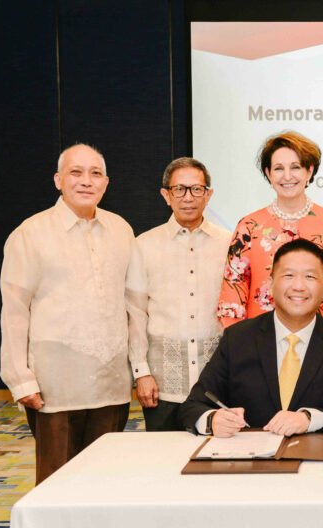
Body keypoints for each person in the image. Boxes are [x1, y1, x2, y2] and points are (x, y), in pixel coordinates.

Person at [0, 144, 138, 482]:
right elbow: (15, 311)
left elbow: (134, 305)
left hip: (111, 382)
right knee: (56, 481)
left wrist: (138, 366)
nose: (86, 181)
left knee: (105, 478)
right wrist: (20, 378)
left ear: (106, 183)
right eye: (76, 172)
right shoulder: (30, 234)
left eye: (95, 174)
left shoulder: (122, 230)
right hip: (55, 384)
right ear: (58, 180)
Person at [181, 238, 323, 437]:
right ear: (271, 284)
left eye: (309, 277)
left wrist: (310, 419)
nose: (298, 286)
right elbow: (194, 405)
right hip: (249, 461)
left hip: (315, 462)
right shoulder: (238, 339)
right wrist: (212, 419)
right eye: (288, 275)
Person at [126, 157, 232, 431]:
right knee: (162, 463)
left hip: (217, 382)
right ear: (166, 195)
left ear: (209, 195)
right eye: (179, 189)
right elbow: (135, 314)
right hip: (163, 384)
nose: (188, 197)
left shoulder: (229, 243)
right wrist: (142, 373)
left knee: (216, 462)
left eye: (197, 189)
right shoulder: (144, 245)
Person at [217, 131, 323, 331]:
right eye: (278, 168)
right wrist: (241, 346)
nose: (287, 176)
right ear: (268, 173)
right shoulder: (249, 227)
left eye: (295, 167)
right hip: (259, 345)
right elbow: (232, 298)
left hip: (322, 345)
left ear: (309, 171)